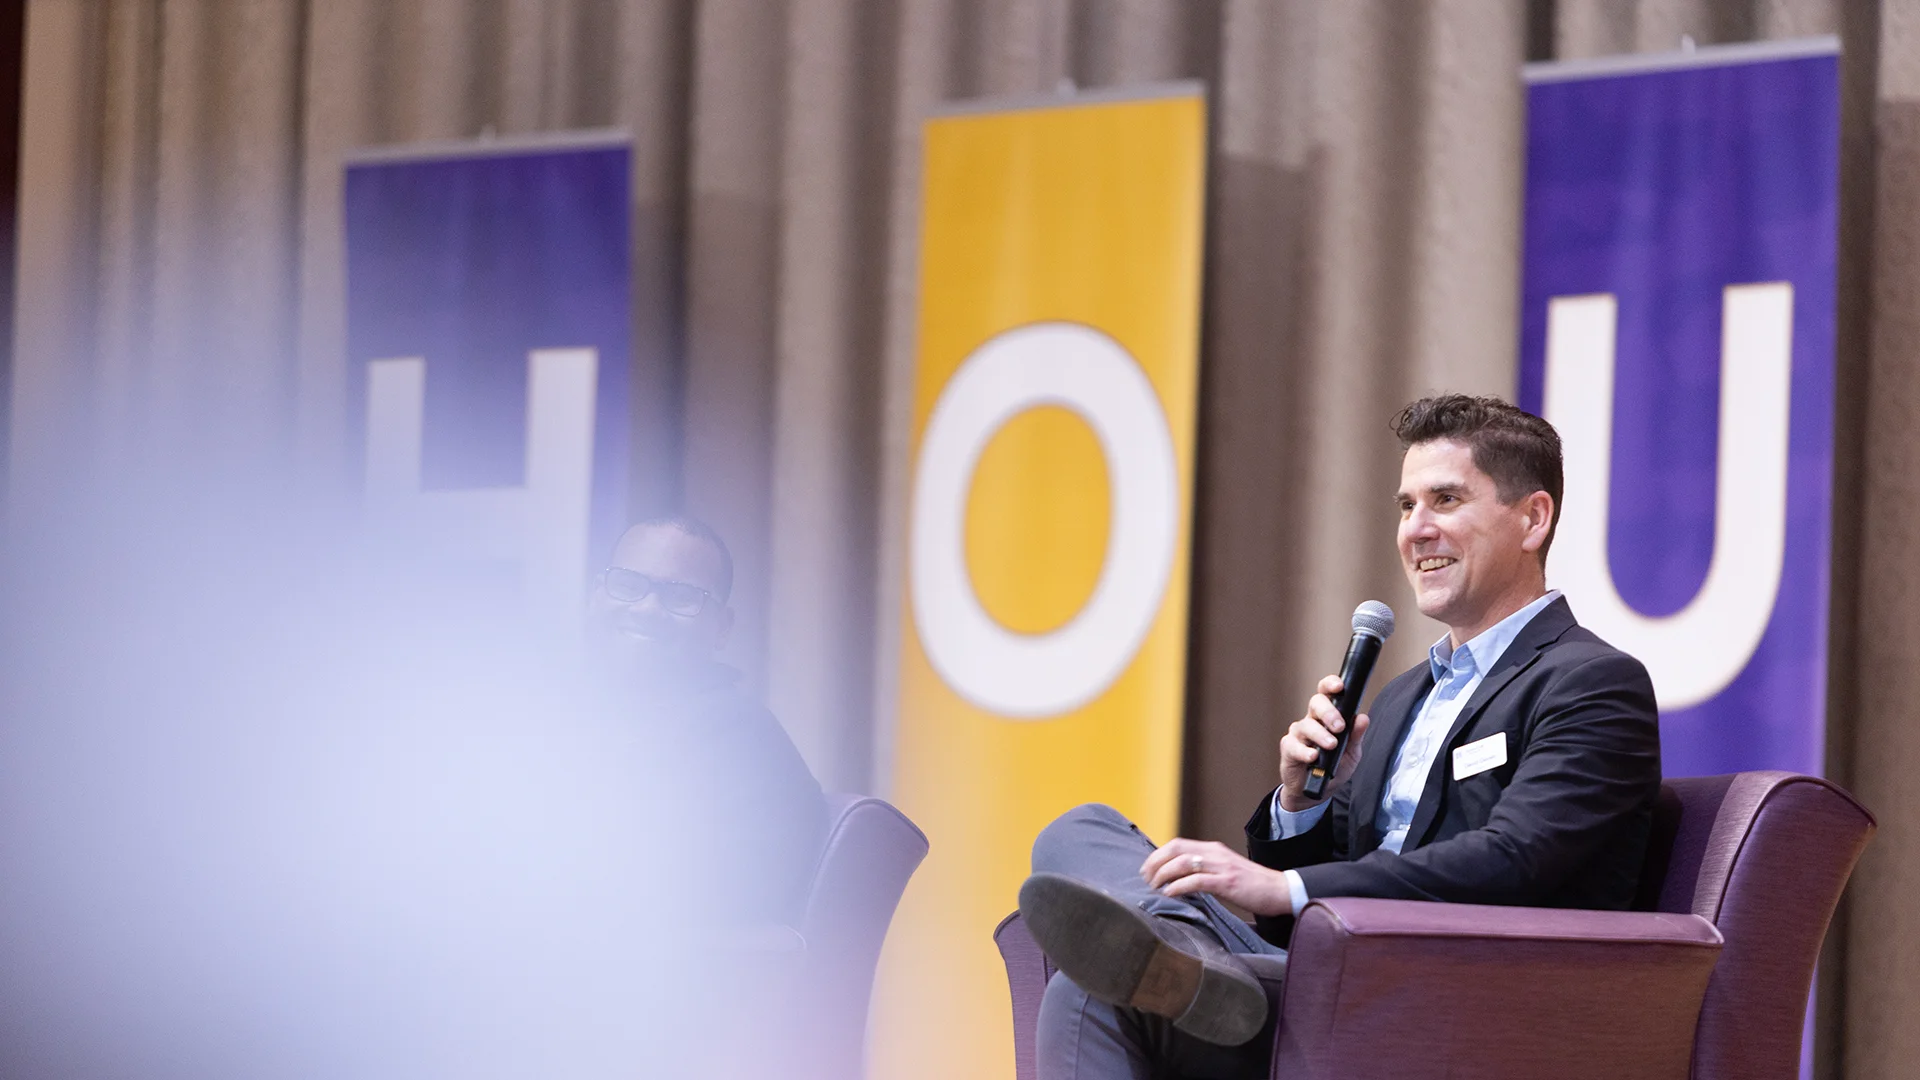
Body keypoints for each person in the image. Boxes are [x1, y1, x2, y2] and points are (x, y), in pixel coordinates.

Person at [1017, 394, 1662, 1079]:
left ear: (1532, 519)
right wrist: (1301, 804)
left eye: (1445, 500)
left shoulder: (1590, 682)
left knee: (1091, 990)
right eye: (1406, 506)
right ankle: (1184, 951)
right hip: (1325, 967)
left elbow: (1514, 861)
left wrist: (1285, 885)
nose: (1417, 529)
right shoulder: (1403, 694)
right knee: (1077, 831)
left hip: (1445, 996)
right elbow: (1338, 865)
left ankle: (1181, 955)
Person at [585, 514, 827, 924]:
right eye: (628, 585)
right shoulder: (562, 714)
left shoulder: (742, 743)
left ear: (722, 627)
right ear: (596, 596)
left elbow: (702, 911)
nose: (646, 609)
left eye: (681, 597)